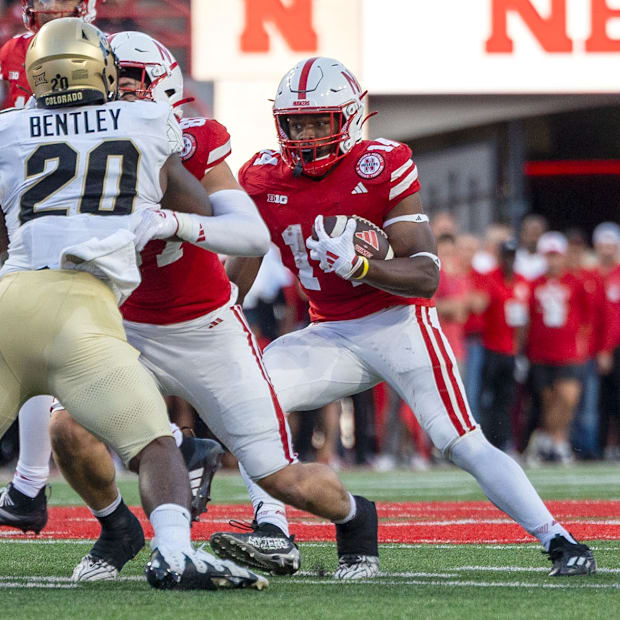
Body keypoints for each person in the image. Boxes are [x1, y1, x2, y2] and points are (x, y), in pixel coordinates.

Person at [19, 31, 378, 583]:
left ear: (162, 87)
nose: (117, 93)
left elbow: (249, 235)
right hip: (122, 325)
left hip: (204, 325)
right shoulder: (80, 136)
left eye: (130, 82)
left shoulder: (189, 139)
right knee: (67, 430)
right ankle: (118, 527)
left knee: (278, 476)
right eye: (111, 80)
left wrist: (173, 222)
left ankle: (356, 519)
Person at [216, 56, 596, 578]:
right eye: (295, 122)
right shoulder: (262, 176)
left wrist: (363, 265)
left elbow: (426, 276)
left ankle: (560, 538)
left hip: (398, 322)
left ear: (348, 118)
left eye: (317, 121)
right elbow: (243, 262)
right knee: (251, 400)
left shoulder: (382, 163)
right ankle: (274, 531)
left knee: (459, 441)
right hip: (329, 332)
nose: (304, 134)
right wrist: (213, 315)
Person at [0, 18, 268, 590]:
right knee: (158, 447)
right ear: (103, 70)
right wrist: (168, 221)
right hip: (85, 311)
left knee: (66, 430)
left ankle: (32, 491)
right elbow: (236, 231)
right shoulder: (147, 119)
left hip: (11, 301)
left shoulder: (8, 128)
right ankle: (173, 553)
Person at [0, 0, 101, 537]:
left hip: (98, 215)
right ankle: (29, 482)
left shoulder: (110, 54)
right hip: (35, 218)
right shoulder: (12, 55)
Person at [524, 232, 590, 464]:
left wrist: (583, 343)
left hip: (568, 350)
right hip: (541, 351)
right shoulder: (534, 284)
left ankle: (548, 439)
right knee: (548, 400)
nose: (553, 261)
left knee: (568, 397)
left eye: (556, 256)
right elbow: (528, 318)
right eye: (549, 256)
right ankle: (557, 442)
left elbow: (586, 316)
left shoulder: (576, 282)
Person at [474, 239, 529, 451]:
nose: (509, 260)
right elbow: (479, 305)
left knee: (507, 400)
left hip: (511, 351)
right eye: (506, 256)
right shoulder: (490, 279)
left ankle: (502, 441)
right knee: (486, 398)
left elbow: (523, 321)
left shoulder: (521, 282)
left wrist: (520, 351)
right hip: (490, 348)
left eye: (512, 256)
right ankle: (485, 440)